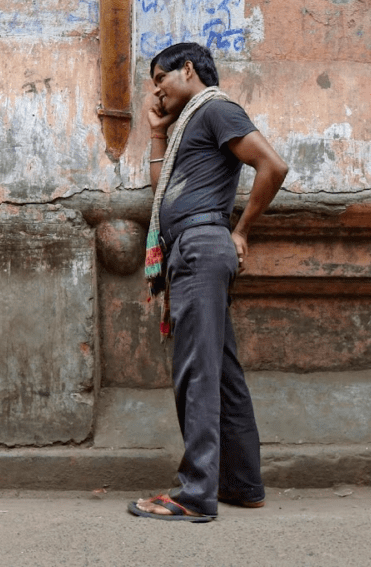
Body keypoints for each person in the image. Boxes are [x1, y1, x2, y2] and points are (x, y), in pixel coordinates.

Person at [128, 43, 288, 522]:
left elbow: (273, 166)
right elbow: (161, 192)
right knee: (221, 373)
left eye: (161, 78)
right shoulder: (189, 125)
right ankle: (243, 484)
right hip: (191, 249)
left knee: (196, 372)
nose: (156, 90)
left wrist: (242, 230)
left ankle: (195, 494)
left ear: (188, 69)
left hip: (201, 246)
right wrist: (158, 133)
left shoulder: (216, 109)